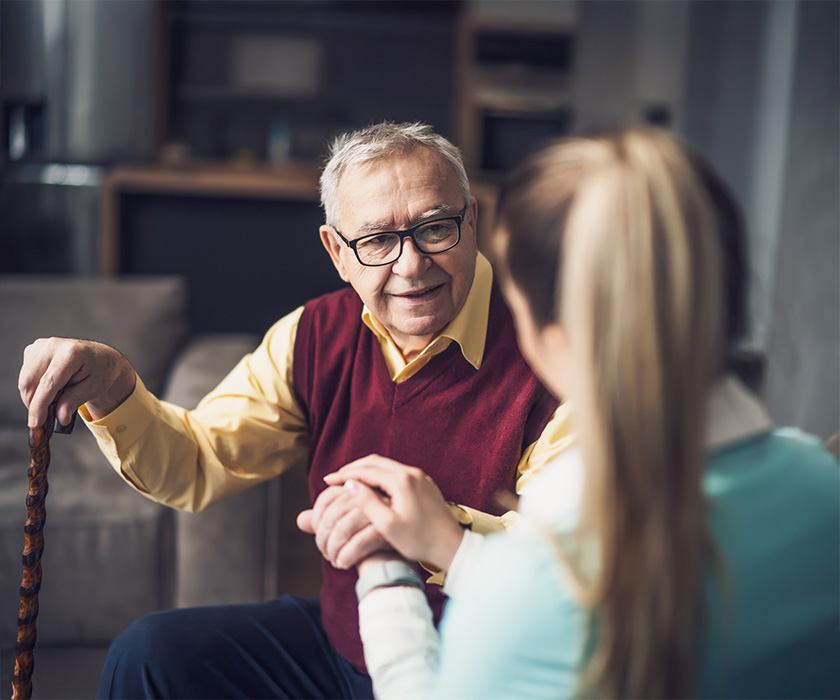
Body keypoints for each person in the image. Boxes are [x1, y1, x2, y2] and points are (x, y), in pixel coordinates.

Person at [17, 121, 572, 699]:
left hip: (482, 669)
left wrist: (432, 526)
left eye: (435, 228)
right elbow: (199, 462)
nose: (410, 265)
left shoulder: (552, 351)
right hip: (342, 643)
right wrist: (114, 387)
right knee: (150, 656)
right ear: (337, 251)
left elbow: (559, 577)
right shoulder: (312, 335)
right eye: (377, 241)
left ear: (473, 221)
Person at [324, 128, 840, 699]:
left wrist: (385, 573)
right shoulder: (824, 485)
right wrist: (458, 549)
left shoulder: (537, 588)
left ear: (559, 334)